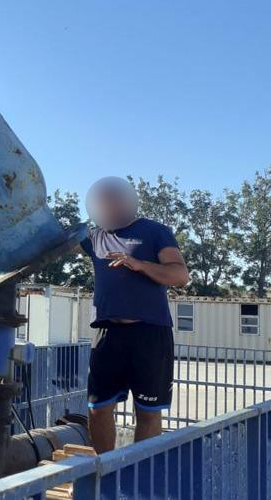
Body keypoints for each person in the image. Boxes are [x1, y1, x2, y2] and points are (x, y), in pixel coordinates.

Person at [80, 176, 189, 453]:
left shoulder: (154, 231)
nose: (108, 205)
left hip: (149, 332)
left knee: (148, 412)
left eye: (112, 200)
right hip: (107, 332)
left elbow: (180, 275)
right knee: (98, 407)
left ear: (125, 201)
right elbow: (53, 240)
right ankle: (104, 470)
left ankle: (142, 472)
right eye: (102, 202)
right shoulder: (95, 237)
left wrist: (139, 265)